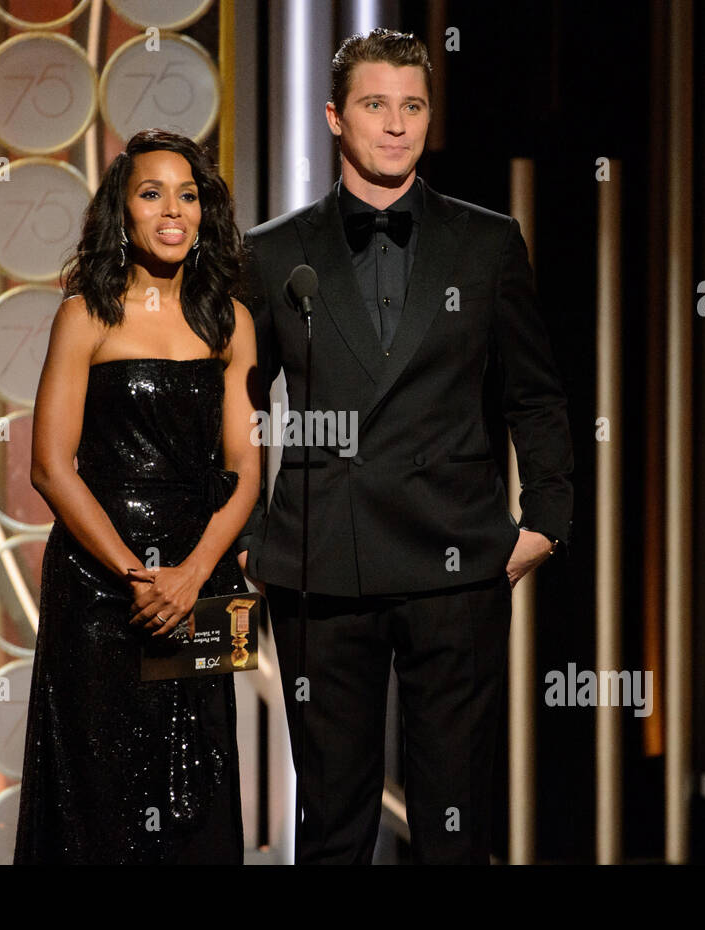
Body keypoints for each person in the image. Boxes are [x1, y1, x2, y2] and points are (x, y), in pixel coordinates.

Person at [235, 29, 574, 864]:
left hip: (455, 560)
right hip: (322, 562)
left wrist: (547, 520)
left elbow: (534, 392)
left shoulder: (488, 243)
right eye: (375, 105)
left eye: (412, 105)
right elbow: (237, 408)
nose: (396, 124)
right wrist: (244, 539)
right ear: (335, 118)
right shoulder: (274, 252)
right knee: (333, 824)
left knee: (455, 819)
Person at [14, 129, 259, 864]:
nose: (172, 210)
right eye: (151, 193)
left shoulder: (232, 323)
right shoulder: (86, 314)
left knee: (201, 792)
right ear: (123, 212)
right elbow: (51, 469)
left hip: (207, 585)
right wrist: (137, 575)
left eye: (188, 194)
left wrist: (189, 576)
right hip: (100, 589)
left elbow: (247, 470)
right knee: (101, 797)